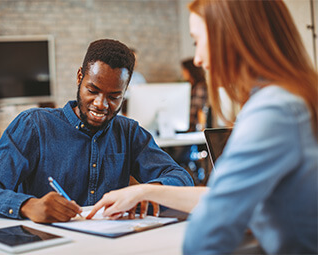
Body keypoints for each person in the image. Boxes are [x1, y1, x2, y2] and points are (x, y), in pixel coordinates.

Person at [87, 1, 318, 254]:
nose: (198, 59)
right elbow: (220, 197)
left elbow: (208, 232)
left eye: (197, 41)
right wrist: (143, 191)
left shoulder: (273, 111)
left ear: (231, 38)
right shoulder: (295, 97)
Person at [0, 39, 194, 223]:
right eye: (92, 90)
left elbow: (182, 178)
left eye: (114, 96)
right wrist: (28, 205)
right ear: (79, 77)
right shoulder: (34, 125)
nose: (101, 104)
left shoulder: (128, 132)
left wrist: (150, 191)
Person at [181, 57, 209, 132]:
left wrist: (201, 129)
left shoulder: (200, 87)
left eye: (184, 70)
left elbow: (200, 109)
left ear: (191, 71)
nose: (182, 73)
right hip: (187, 128)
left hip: (195, 128)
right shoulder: (190, 86)